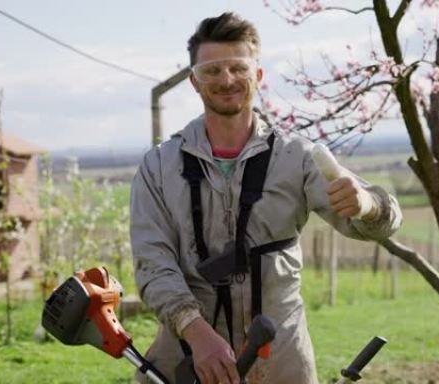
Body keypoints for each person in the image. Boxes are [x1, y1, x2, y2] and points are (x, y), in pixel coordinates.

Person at [131, 12, 402, 384]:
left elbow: (379, 224)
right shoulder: (158, 165)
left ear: (258, 76)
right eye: (212, 70)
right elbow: (152, 263)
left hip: (281, 357)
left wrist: (366, 205)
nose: (226, 79)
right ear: (194, 81)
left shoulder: (299, 156)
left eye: (238, 68)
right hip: (186, 355)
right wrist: (195, 332)